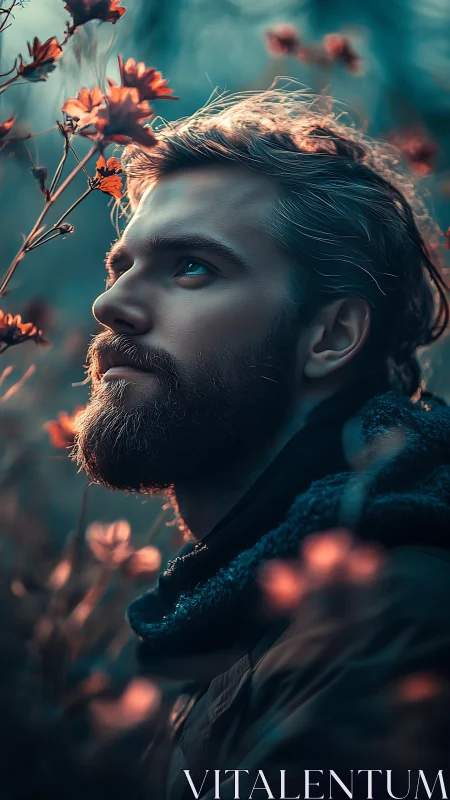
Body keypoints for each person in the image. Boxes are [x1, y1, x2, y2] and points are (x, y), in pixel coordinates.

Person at [73, 88, 450, 799]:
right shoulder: (230, 617)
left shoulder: (393, 624)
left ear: (331, 336)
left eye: (191, 268)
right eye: (122, 267)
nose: (110, 305)